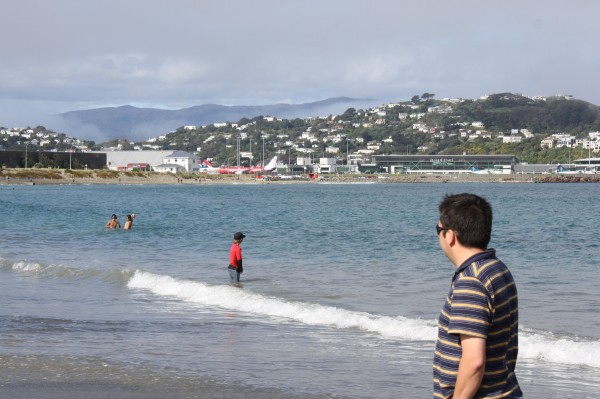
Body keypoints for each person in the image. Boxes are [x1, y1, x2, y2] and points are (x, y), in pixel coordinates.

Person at [433, 193, 522, 399]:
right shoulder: (496, 268)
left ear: (450, 235)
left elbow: (474, 361)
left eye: (438, 230)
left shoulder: (471, 281)